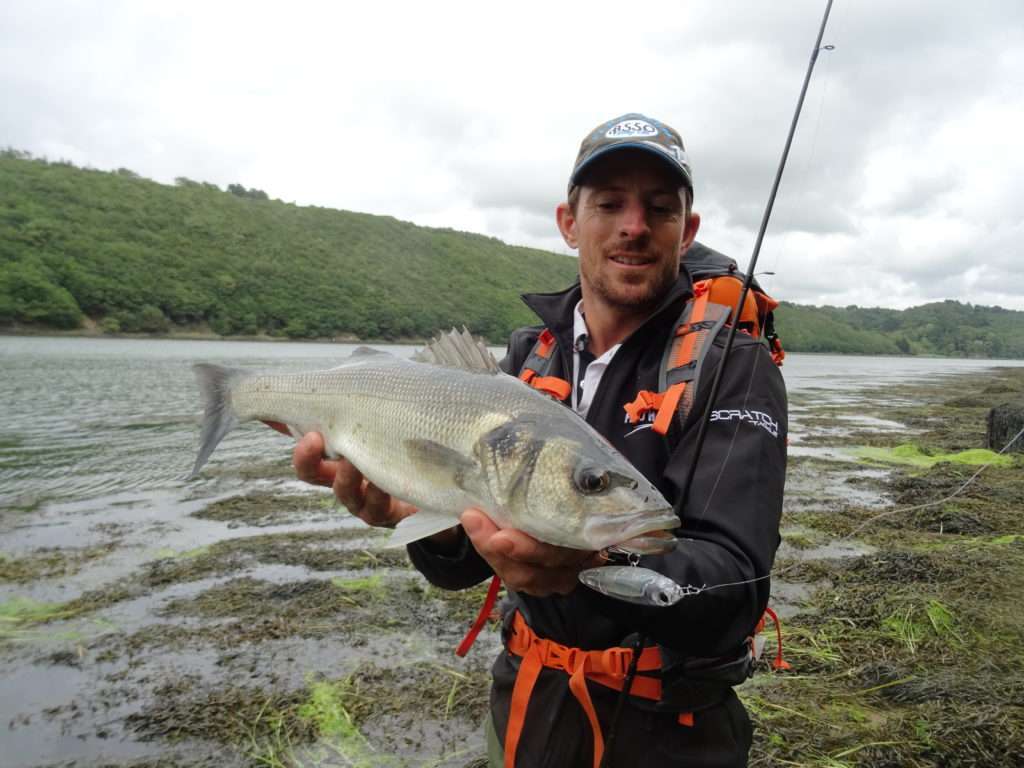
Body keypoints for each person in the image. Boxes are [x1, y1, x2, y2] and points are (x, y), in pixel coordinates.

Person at [293, 113, 787, 768]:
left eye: (659, 209)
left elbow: (735, 586)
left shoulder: (734, 367)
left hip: (673, 729)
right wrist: (432, 526)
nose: (633, 226)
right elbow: (470, 558)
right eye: (609, 204)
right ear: (568, 222)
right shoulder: (529, 356)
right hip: (526, 701)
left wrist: (592, 563)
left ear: (687, 229)